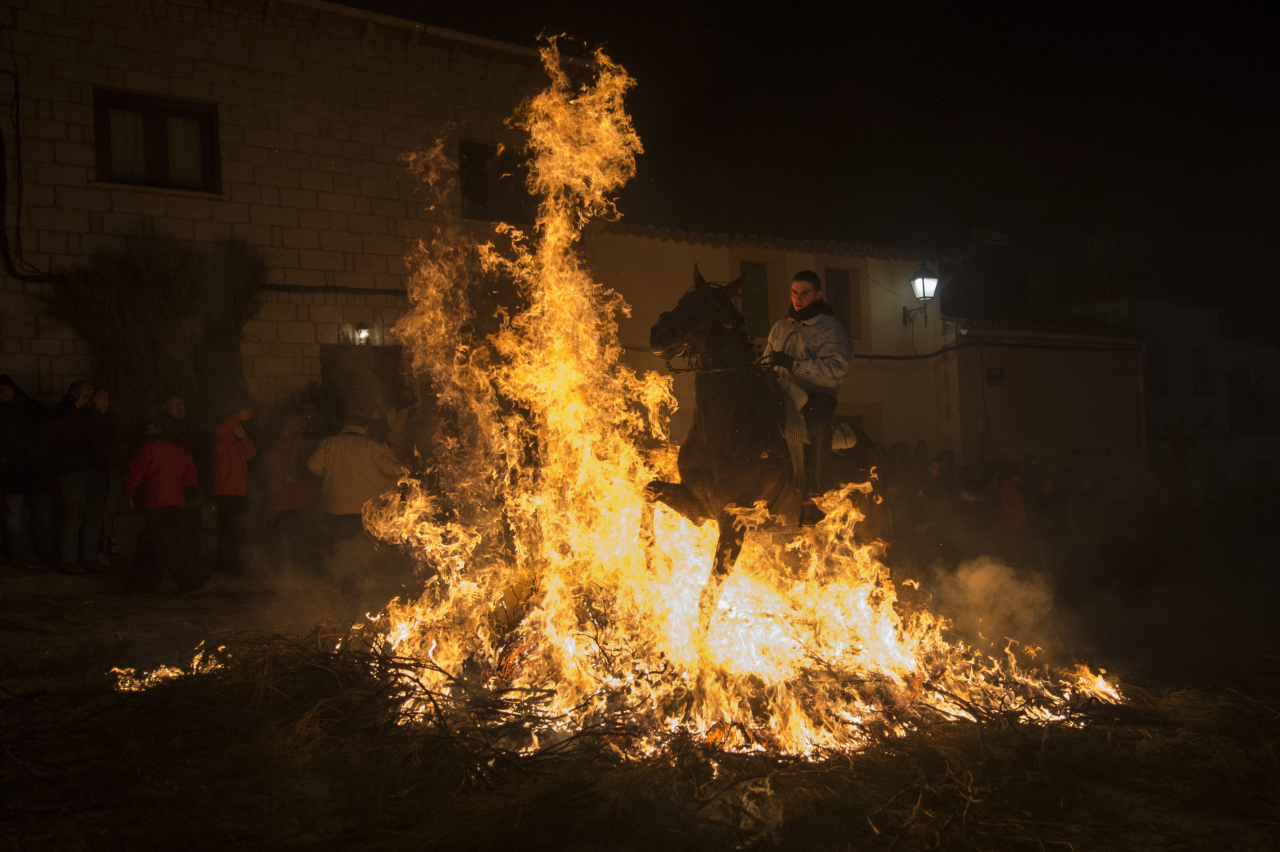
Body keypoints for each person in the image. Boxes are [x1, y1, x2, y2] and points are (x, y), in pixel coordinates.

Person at [762, 270, 854, 524]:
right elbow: (766, 360)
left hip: (817, 395)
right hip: (781, 393)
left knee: (818, 426)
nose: (798, 298)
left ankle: (817, 491)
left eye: (805, 293)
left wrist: (794, 364)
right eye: (794, 292)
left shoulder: (830, 328)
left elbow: (837, 369)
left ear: (818, 295)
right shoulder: (780, 327)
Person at [123, 417, 209, 594]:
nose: (148, 427)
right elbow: (191, 479)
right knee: (149, 542)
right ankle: (143, 586)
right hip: (176, 503)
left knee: (165, 544)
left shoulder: (149, 447)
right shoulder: (179, 449)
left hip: (155, 502)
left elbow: (134, 473)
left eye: (152, 425)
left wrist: (128, 494)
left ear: (160, 428)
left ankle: (197, 580)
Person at [307, 413, 405, 556]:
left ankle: (338, 576)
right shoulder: (369, 445)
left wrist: (331, 474)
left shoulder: (329, 443)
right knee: (362, 554)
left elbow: (313, 466)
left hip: (335, 507)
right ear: (365, 426)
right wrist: (404, 466)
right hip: (364, 511)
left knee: (337, 551)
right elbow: (392, 469)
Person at [49, 381, 115, 574]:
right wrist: (75, 406)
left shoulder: (94, 415)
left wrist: (103, 413)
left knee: (93, 516)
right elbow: (57, 432)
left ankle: (90, 557)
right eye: (85, 393)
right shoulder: (62, 411)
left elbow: (108, 437)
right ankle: (68, 558)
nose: (90, 397)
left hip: (96, 471)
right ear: (73, 394)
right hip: (73, 471)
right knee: (74, 515)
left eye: (91, 394)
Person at [0, 375, 53, 568]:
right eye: (0, 390)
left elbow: (49, 423)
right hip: (12, 476)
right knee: (15, 518)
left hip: (35, 473)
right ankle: (21, 555)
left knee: (42, 516)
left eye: (6, 389)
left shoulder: (30, 408)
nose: (3, 393)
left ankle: (44, 555)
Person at [210, 404, 256, 576]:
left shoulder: (236, 442)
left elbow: (251, 454)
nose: (237, 425)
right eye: (233, 421)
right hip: (224, 492)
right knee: (228, 531)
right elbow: (222, 431)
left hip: (238, 492)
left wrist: (244, 438)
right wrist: (238, 417)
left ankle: (235, 565)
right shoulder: (219, 438)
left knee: (238, 530)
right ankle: (226, 566)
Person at [157, 392, 203, 561]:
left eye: (181, 403)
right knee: (180, 528)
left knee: (193, 526)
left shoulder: (188, 427)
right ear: (165, 407)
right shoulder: (163, 429)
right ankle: (183, 564)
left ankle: (192, 563)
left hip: (191, 487)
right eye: (174, 404)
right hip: (175, 489)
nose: (180, 407)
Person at [263, 414, 308, 570]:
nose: (286, 430)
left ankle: (292, 565)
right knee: (280, 533)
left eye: (290, 427)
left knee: (291, 532)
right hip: (281, 496)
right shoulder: (279, 442)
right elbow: (269, 459)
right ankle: (280, 565)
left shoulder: (298, 445)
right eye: (285, 427)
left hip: (291, 496)